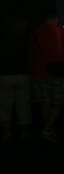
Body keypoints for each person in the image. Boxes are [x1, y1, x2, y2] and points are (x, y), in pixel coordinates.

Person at [30, 9, 64, 143]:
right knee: (58, 102)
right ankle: (47, 130)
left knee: (45, 102)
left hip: (38, 72)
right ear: (54, 18)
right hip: (56, 73)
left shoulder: (34, 32)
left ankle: (49, 130)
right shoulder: (58, 30)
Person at [0, 15, 32, 144]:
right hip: (23, 75)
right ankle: (24, 133)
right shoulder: (24, 41)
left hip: (3, 76)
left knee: (3, 107)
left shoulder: (2, 41)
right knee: (23, 106)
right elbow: (30, 58)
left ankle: (6, 133)